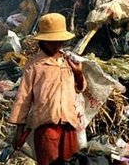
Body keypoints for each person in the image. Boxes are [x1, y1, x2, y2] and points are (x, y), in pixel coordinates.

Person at [8, 13, 86, 165]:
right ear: (43, 41)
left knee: (71, 161)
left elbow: (80, 88)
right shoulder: (35, 65)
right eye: (52, 42)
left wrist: (78, 73)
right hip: (46, 127)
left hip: (69, 124)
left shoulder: (69, 61)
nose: (57, 45)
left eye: (60, 42)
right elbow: (23, 98)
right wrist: (19, 130)